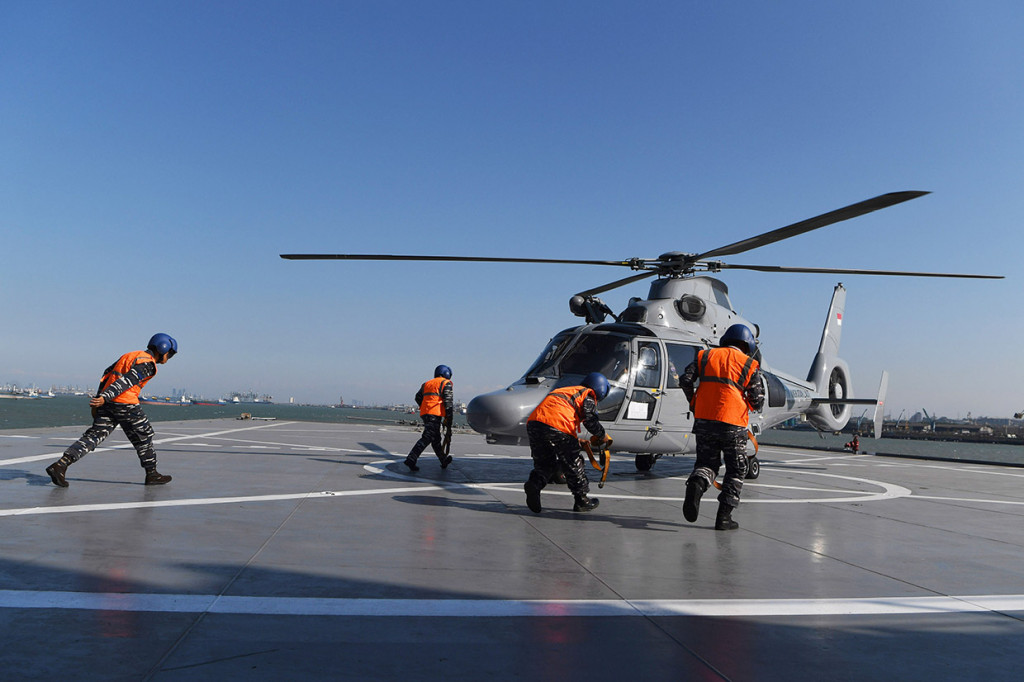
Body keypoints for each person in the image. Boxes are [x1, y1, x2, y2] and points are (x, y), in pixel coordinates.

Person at [45, 334, 178, 488]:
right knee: (144, 436)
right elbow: (126, 381)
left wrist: (100, 399)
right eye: (171, 354)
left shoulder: (131, 355)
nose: (169, 358)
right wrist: (104, 397)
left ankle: (60, 465)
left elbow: (107, 373)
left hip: (109, 403)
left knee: (94, 436)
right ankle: (152, 474)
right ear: (163, 348)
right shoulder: (147, 364)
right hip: (126, 404)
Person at [680, 324, 765, 530]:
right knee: (736, 469)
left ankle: (696, 485)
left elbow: (685, 380)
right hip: (732, 423)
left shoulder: (705, 356)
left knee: (707, 463)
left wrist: (695, 402)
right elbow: (758, 400)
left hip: (703, 420)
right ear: (748, 345)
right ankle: (724, 518)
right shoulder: (748, 364)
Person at [524, 372, 610, 514]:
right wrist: (603, 435)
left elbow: (557, 413)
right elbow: (590, 420)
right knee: (574, 462)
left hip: (535, 424)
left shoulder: (564, 390)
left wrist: (576, 439)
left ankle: (534, 485)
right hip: (558, 426)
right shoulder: (587, 394)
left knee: (546, 464)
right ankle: (582, 500)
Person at [404, 365, 454, 471]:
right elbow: (448, 403)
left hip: (425, 413)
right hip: (435, 414)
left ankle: (443, 460)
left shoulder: (426, 383)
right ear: (447, 374)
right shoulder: (446, 383)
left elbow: (417, 397)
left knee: (435, 440)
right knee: (427, 437)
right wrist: (449, 418)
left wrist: (425, 407)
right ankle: (411, 458)